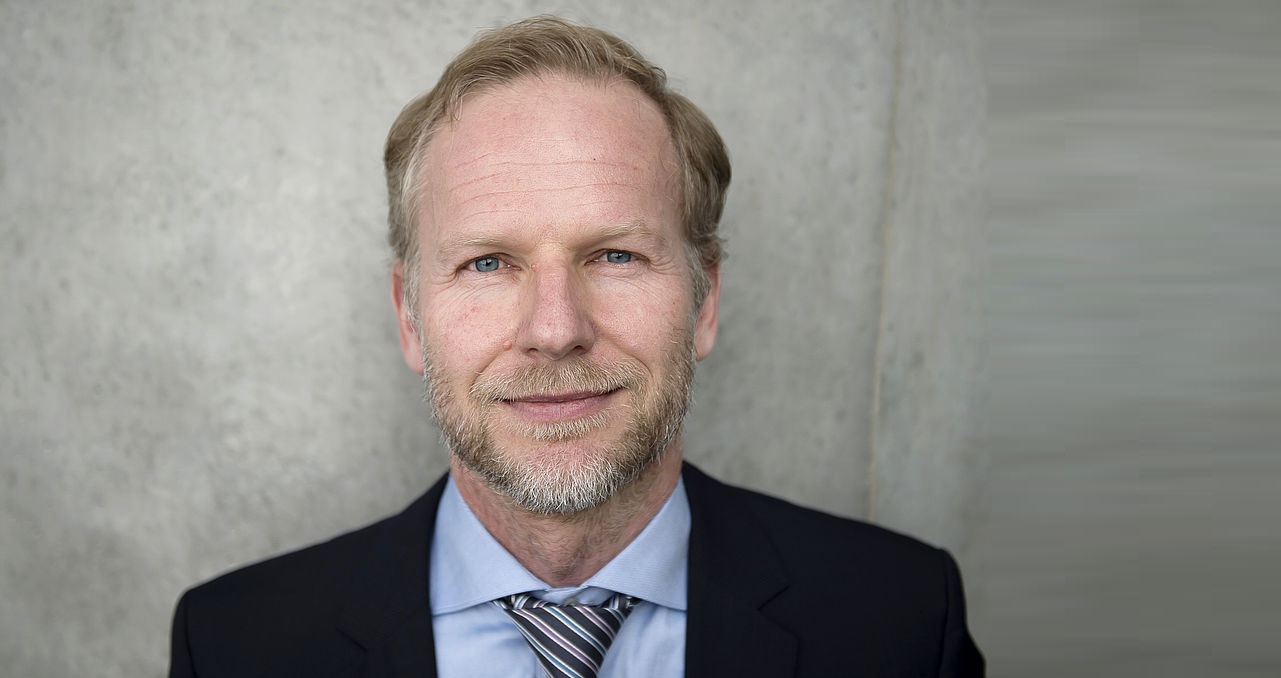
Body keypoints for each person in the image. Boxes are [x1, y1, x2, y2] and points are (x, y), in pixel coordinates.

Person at [168, 15, 984, 678]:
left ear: (704, 300)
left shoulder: (904, 621)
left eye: (615, 256)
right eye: (488, 263)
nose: (555, 331)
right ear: (409, 318)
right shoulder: (236, 646)